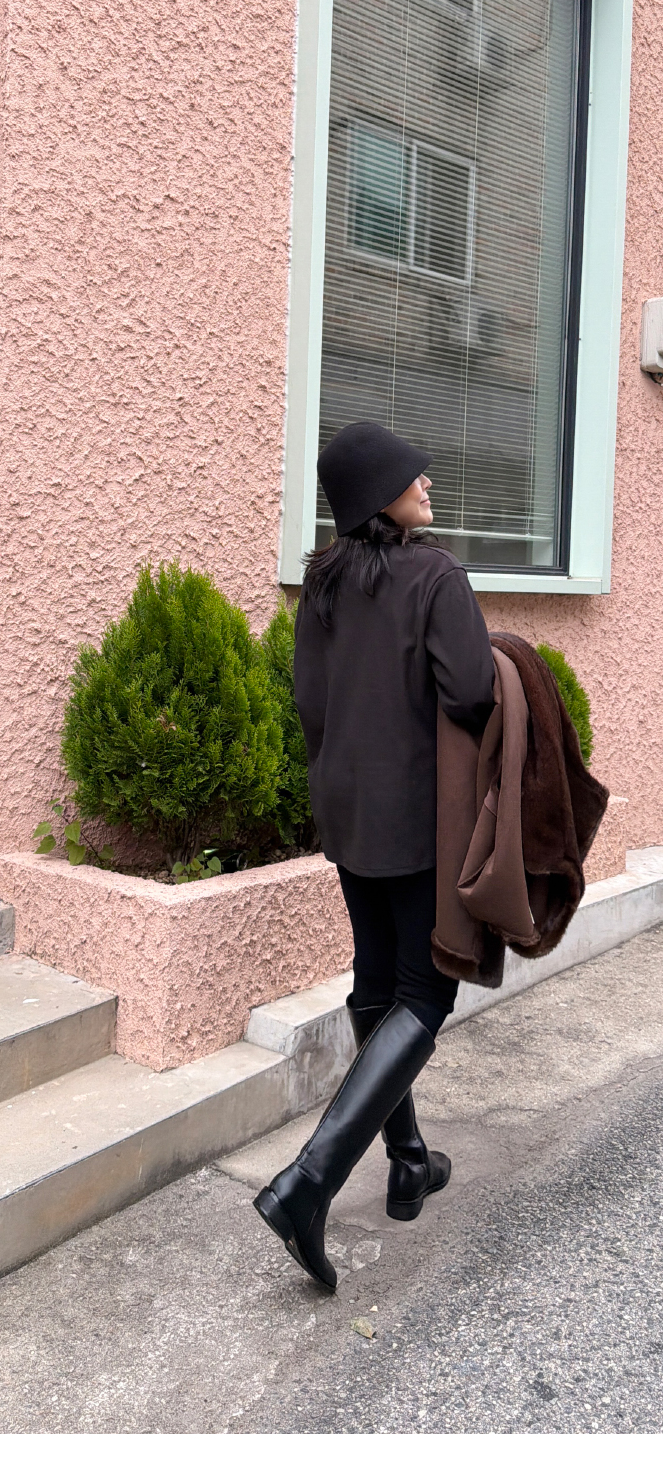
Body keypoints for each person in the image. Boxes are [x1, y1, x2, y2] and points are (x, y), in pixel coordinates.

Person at [254, 419, 496, 1292]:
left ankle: (408, 1160)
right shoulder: (435, 575)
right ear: (377, 496)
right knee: (425, 995)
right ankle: (307, 1184)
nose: (427, 483)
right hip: (419, 820)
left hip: (348, 813)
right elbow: (471, 692)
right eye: (410, 475)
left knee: (377, 983)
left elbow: (310, 703)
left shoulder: (322, 583)